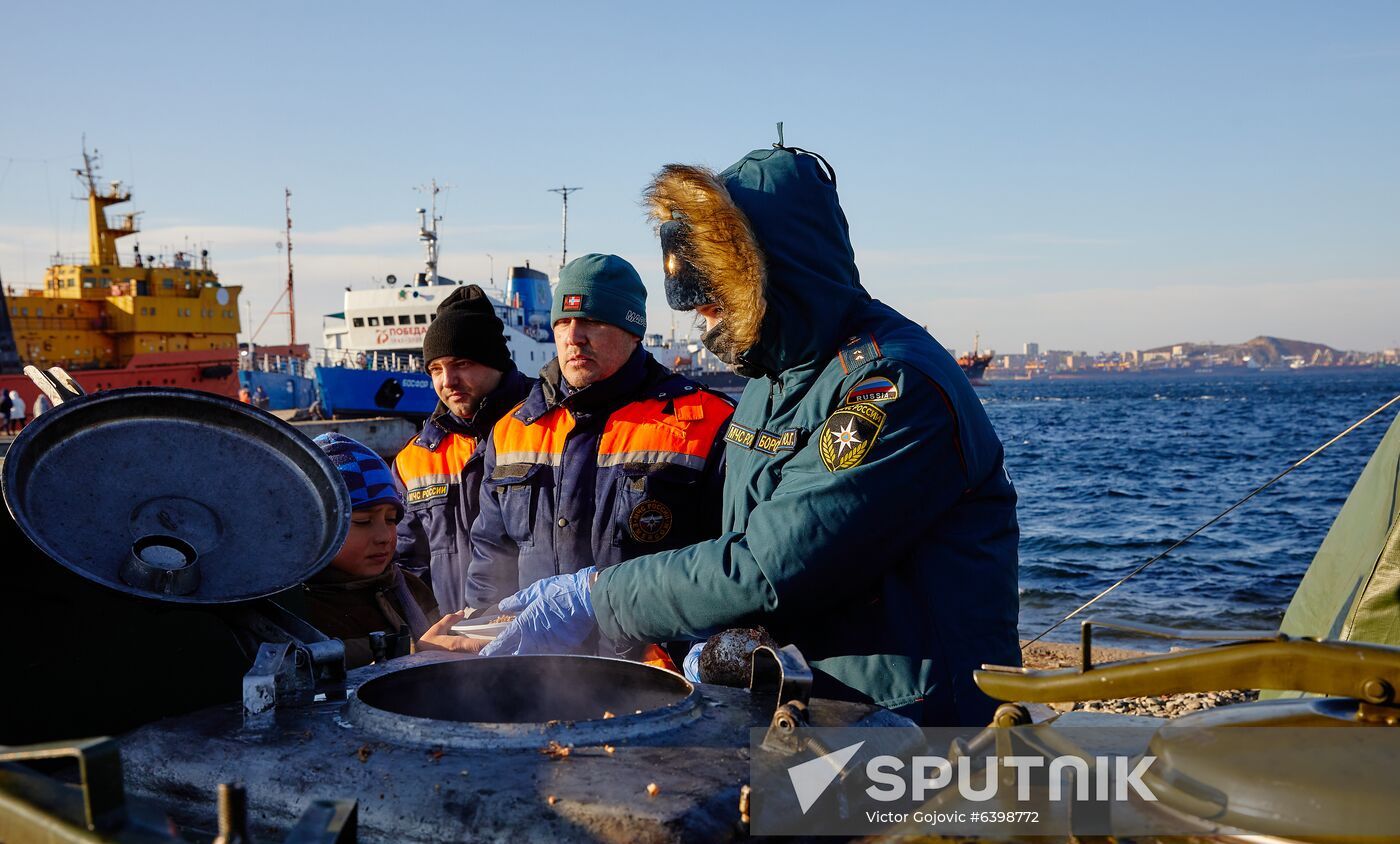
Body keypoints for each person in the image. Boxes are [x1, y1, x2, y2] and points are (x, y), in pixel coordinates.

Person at [482, 146, 1021, 726]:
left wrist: (599, 597)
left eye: (715, 304)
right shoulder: (771, 381)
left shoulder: (890, 382)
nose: (703, 323)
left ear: (768, 276)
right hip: (810, 704)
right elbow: (733, 537)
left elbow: (771, 566)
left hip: (915, 718)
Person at [463, 254, 734, 664]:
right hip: (536, 677)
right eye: (562, 323)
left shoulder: (705, 421)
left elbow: (730, 559)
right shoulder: (511, 430)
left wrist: (702, 651)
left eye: (593, 321)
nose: (574, 337)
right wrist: (486, 632)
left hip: (653, 676)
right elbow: (490, 557)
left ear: (632, 330)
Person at [392, 284, 533, 616]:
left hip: (542, 643)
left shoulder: (550, 430)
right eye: (436, 370)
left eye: (462, 363)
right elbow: (408, 565)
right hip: (453, 650)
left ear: (495, 362)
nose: (447, 380)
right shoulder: (415, 460)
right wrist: (424, 634)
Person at [297, 433, 446, 668]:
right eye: (363, 521)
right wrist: (420, 650)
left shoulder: (409, 587)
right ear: (316, 528)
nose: (384, 537)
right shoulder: (301, 611)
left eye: (390, 520)